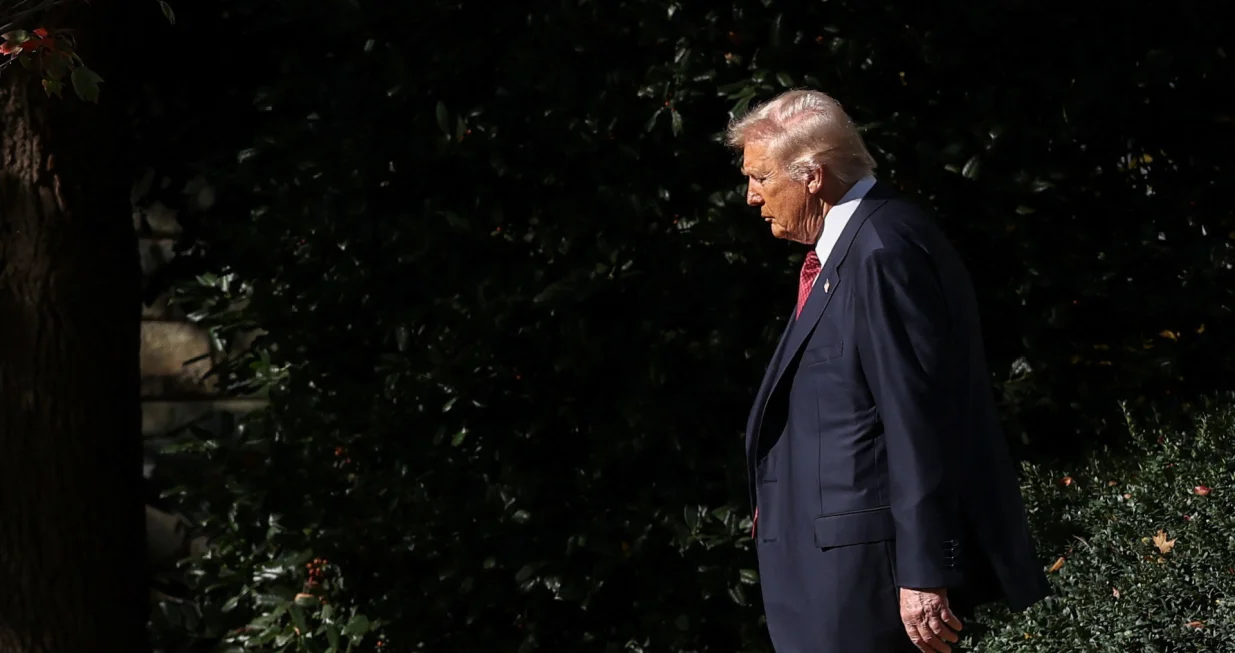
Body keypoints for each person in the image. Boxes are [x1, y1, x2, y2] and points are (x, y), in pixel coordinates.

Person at [729, 90, 1051, 653]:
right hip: (831, 578)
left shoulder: (882, 250)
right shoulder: (849, 251)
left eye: (760, 177)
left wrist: (925, 572)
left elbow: (918, 416)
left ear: (812, 176)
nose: (751, 195)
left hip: (866, 583)